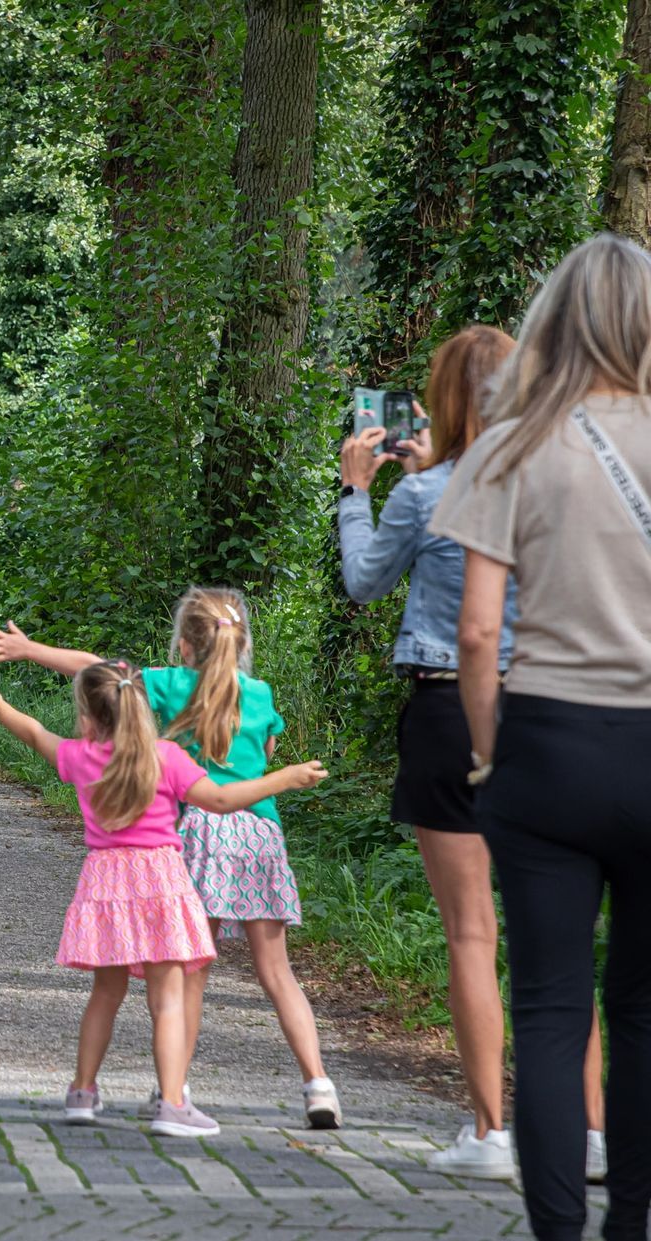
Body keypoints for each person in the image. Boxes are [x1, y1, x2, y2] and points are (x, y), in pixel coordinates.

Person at [340, 324, 605, 1182]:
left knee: (470, 931)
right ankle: (592, 1132)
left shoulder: (429, 495)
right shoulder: (565, 482)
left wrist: (358, 490)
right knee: (560, 935)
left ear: (443, 401)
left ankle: (492, 1133)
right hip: (558, 711)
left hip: (451, 707)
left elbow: (365, 582)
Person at [433, 232, 651, 1241]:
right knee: (646, 1012)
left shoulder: (512, 443)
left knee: (555, 1009)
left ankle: (559, 1232)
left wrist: (488, 748)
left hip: (551, 745)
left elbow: (478, 629)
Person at [0, 589, 342, 1129]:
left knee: (187, 974)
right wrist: (277, 777)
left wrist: (31, 651)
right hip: (257, 834)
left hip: (189, 839)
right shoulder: (258, 694)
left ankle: (169, 1089)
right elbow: (262, 756)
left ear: (185, 647)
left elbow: (101, 674)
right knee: (276, 971)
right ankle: (318, 1086)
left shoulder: (166, 688)